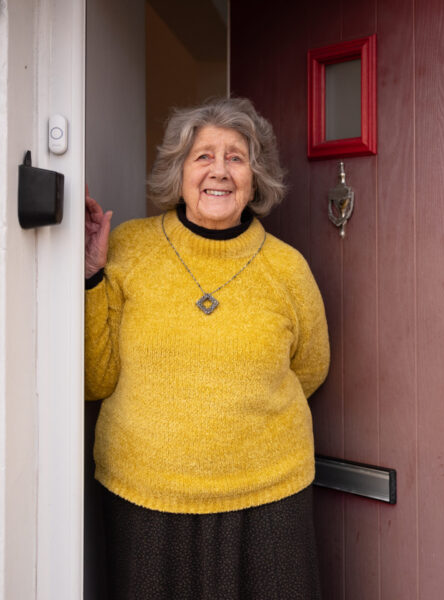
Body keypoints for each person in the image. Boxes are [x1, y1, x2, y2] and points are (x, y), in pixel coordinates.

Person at [84, 97, 330, 600]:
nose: (219, 172)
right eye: (202, 156)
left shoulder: (288, 268)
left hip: (269, 499)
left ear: (255, 177)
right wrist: (91, 278)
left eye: (236, 158)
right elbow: (96, 379)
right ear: (178, 172)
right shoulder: (128, 248)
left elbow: (310, 369)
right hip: (146, 496)